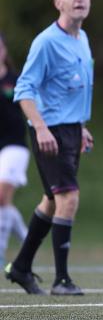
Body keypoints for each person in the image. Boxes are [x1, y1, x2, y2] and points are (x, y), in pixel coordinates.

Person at [4, 0, 94, 296]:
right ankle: (62, 280)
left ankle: (20, 267)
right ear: (58, 3)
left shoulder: (82, 38)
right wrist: (41, 128)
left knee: (52, 201)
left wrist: (81, 127)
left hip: (70, 129)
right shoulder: (46, 42)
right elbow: (23, 90)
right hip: (49, 131)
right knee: (69, 197)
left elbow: (72, 90)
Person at [0, 33, 29, 265]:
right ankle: (29, 242)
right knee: (4, 203)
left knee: (1, 196)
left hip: (15, 146)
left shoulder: (15, 80)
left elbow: (31, 106)